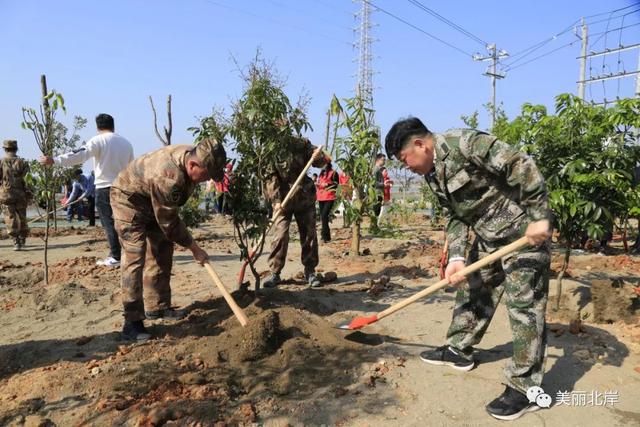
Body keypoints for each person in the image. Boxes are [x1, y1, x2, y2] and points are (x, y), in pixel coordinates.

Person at [385, 117, 551, 421]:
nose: (405, 167)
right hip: (488, 237)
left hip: (522, 234)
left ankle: (526, 387)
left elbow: (520, 165)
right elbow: (455, 215)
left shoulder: (466, 144)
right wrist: (457, 257)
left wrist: (540, 215)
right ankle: (458, 349)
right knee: (473, 288)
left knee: (524, 308)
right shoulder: (433, 174)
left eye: (404, 159)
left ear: (420, 145)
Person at [111, 138, 226, 341]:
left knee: (163, 248)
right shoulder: (168, 177)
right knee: (134, 257)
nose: (206, 180)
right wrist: (194, 248)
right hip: (128, 200)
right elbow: (169, 222)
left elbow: (167, 220)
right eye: (206, 175)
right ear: (193, 165)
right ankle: (132, 322)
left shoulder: (192, 155)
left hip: (151, 199)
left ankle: (158, 307)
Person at [41, 114, 134, 267]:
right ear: (113, 125)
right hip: (123, 187)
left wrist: (55, 160)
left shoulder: (98, 140)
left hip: (105, 187)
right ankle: (131, 254)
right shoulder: (126, 143)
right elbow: (131, 167)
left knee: (108, 222)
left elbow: (80, 154)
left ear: (98, 127)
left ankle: (115, 257)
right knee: (124, 221)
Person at [262, 137, 331, 289]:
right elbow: (270, 176)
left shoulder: (301, 144)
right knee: (280, 235)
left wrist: (318, 155)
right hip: (283, 200)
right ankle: (275, 273)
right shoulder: (271, 146)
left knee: (309, 235)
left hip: (303, 196)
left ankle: (310, 271)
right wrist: (276, 199)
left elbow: (320, 162)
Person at [0, 140, 30, 250]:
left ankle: (16, 241)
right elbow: (28, 180)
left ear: (5, 149)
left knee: (10, 217)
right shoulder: (22, 162)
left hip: (6, 194)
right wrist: (29, 194)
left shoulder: (2, 161)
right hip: (20, 194)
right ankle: (22, 239)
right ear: (16, 149)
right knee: (22, 217)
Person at [316, 162, 339, 243]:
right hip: (321, 197)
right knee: (323, 217)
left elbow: (336, 185)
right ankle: (327, 236)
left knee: (324, 215)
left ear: (327, 164)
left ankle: (324, 236)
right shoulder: (321, 174)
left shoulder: (334, 173)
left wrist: (328, 185)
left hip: (329, 197)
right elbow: (319, 183)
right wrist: (317, 184)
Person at [372, 153, 387, 224]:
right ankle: (374, 226)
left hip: (378, 193)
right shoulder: (376, 169)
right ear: (378, 160)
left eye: (385, 160)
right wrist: (383, 184)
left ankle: (375, 226)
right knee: (376, 210)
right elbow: (373, 182)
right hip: (376, 193)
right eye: (383, 160)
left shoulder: (378, 169)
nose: (384, 161)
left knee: (377, 211)